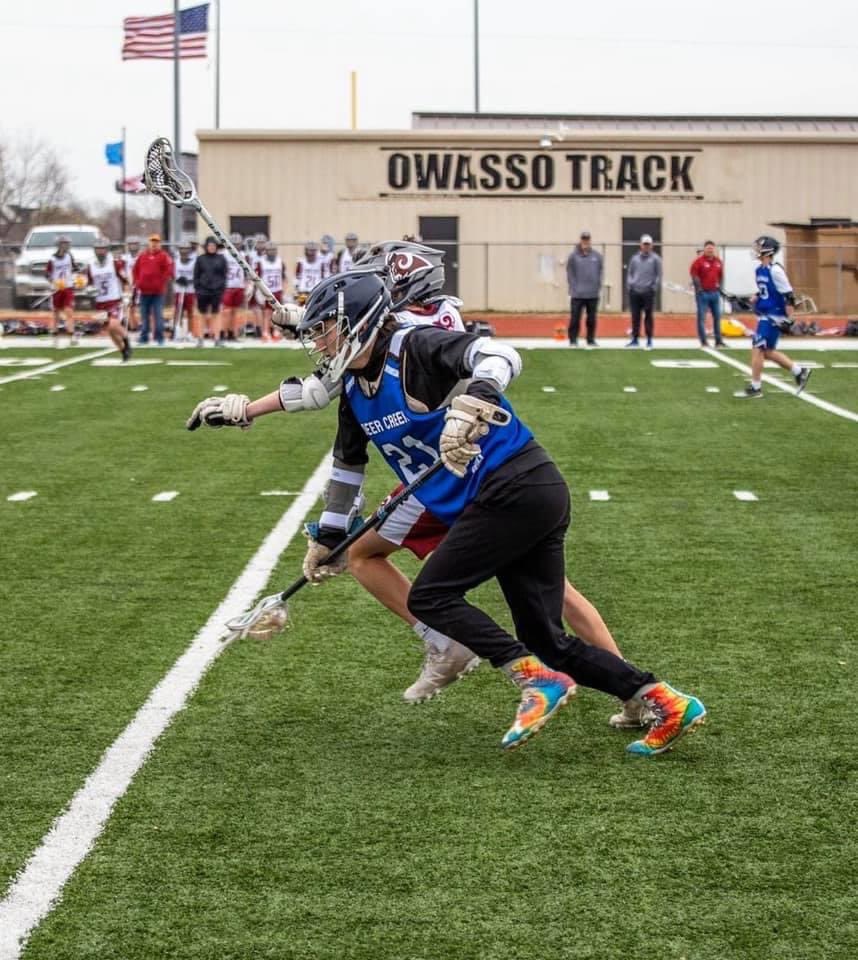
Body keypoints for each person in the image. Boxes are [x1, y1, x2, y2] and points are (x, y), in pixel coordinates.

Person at [187, 270, 707, 755]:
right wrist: (328, 536)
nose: (317, 342)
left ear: (359, 323)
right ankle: (665, 701)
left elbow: (498, 353)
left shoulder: (412, 348)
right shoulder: (352, 388)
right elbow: (347, 469)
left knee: (434, 595)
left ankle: (535, 680)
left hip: (515, 483)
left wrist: (476, 398)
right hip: (512, 496)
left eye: (324, 330)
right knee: (548, 638)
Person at [734, 236, 813, 399]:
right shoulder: (759, 270)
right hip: (765, 313)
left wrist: (789, 319)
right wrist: (752, 298)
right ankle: (799, 371)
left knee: (757, 348)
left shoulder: (775, 270)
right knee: (768, 352)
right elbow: (765, 290)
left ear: (767, 250)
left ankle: (755, 387)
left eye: (759, 247)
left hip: (774, 315)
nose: (756, 250)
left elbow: (789, 295)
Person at [86, 237, 132, 360]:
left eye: (102, 249)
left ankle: (127, 342)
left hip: (114, 299)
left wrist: (127, 295)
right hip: (100, 302)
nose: (100, 251)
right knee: (110, 331)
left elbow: (125, 280)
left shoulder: (114, 263)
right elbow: (89, 283)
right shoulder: (91, 265)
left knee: (113, 325)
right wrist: (89, 289)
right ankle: (123, 351)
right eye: (98, 249)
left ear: (107, 250)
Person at [132, 234, 173, 345]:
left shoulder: (164, 256)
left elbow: (168, 270)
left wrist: (161, 282)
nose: (154, 244)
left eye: (156, 242)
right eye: (152, 241)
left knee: (158, 315)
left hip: (157, 292)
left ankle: (159, 338)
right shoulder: (142, 255)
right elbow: (135, 270)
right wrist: (137, 282)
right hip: (144, 291)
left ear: (159, 244)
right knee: (144, 316)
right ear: (149, 243)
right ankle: (144, 337)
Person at [566, 231, 603, 347]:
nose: (585, 241)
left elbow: (600, 272)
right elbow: (570, 274)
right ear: (580, 240)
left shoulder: (597, 256)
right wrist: (573, 288)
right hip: (577, 294)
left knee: (591, 319)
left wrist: (597, 286)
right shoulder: (573, 256)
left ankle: (590, 339)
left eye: (587, 239)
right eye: (583, 239)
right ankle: (573, 340)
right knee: (575, 318)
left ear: (590, 241)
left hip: (592, 294)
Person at [626, 234, 662, 349]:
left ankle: (649, 339)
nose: (646, 246)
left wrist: (653, 287)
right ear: (641, 245)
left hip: (648, 292)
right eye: (644, 244)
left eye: (648, 244)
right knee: (635, 316)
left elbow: (658, 275)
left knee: (648, 317)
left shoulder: (656, 259)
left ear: (651, 246)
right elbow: (630, 273)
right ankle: (635, 339)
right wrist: (630, 285)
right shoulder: (634, 258)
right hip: (635, 292)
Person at [690, 241, 726, 347]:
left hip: (715, 293)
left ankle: (718, 341)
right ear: (704, 249)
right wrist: (699, 288)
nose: (710, 250)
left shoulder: (718, 261)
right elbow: (694, 275)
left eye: (711, 248)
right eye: (708, 248)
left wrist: (719, 286)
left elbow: (721, 275)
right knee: (702, 318)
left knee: (717, 317)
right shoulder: (698, 262)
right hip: (703, 294)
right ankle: (704, 341)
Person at [193, 236, 227, 346]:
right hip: (202, 291)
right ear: (206, 247)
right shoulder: (200, 259)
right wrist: (198, 288)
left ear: (216, 247)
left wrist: (221, 287)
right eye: (209, 246)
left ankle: (217, 338)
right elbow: (196, 275)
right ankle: (200, 338)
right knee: (201, 314)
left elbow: (224, 274)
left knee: (216, 314)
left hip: (216, 291)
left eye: (213, 246)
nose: (211, 247)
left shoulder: (221, 259)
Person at [45, 235, 78, 342]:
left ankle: (71, 334)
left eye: (67, 244)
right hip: (57, 289)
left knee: (69, 311)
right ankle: (55, 334)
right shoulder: (52, 259)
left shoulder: (69, 256)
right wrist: (55, 283)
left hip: (68, 288)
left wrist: (76, 278)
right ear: (58, 245)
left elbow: (75, 269)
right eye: (64, 244)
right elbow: (47, 274)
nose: (66, 246)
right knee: (56, 312)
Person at [256, 241, 287, 341]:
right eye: (270, 250)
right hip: (266, 291)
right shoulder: (261, 262)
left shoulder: (280, 261)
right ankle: (265, 332)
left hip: (277, 290)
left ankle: (276, 331)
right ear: (266, 251)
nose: (272, 252)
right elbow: (257, 278)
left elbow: (284, 277)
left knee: (277, 312)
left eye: (273, 250)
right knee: (267, 313)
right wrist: (259, 292)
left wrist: (284, 290)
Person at [222, 232, 248, 341]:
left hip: (239, 285)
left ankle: (233, 332)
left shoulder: (244, 255)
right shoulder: (223, 254)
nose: (235, 246)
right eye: (233, 243)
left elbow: (247, 271)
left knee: (235, 311)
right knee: (226, 311)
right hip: (227, 286)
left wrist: (247, 284)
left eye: (237, 244)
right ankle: (224, 331)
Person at [172, 242, 196, 342]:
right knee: (179, 312)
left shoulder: (194, 261)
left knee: (190, 312)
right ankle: (178, 332)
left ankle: (190, 333)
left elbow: (196, 274)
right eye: (182, 249)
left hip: (190, 290)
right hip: (179, 289)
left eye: (186, 249)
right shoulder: (176, 261)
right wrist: (177, 279)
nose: (184, 251)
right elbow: (173, 274)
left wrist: (190, 280)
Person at [124, 237, 141, 331]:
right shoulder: (125, 258)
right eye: (131, 244)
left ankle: (144, 325)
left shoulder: (142, 256)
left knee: (143, 306)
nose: (133, 246)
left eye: (135, 244)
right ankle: (132, 325)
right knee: (129, 306)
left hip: (141, 285)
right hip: (130, 285)